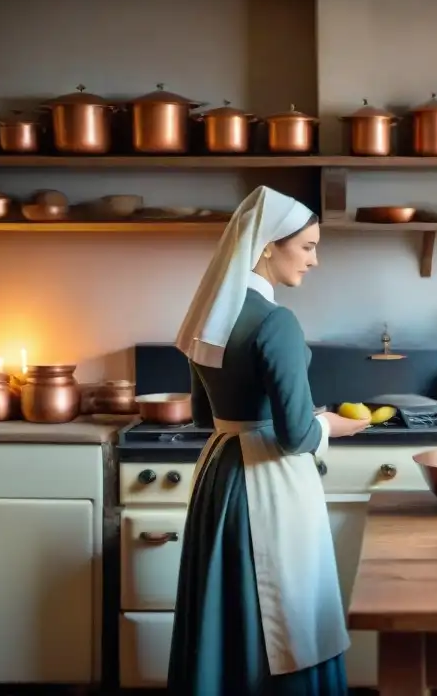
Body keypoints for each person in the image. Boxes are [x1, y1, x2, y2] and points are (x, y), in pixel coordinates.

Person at [168, 185, 371, 695]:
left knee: (227, 607)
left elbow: (202, 415)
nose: (315, 260)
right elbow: (296, 434)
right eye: (306, 247)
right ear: (266, 246)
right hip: (266, 481)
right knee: (288, 614)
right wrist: (334, 425)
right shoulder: (276, 321)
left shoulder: (212, 313)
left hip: (219, 476)